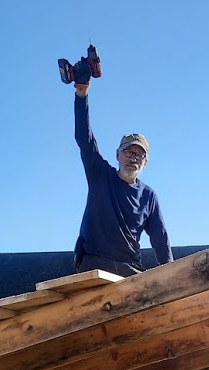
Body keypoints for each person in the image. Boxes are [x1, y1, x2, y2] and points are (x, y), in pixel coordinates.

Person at [71, 78, 172, 276]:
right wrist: (81, 94)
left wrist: (172, 273)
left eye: (139, 154)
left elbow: (160, 238)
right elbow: (84, 138)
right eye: (128, 152)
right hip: (93, 264)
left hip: (129, 269)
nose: (133, 158)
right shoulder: (100, 174)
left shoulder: (148, 196)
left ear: (146, 162)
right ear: (117, 154)